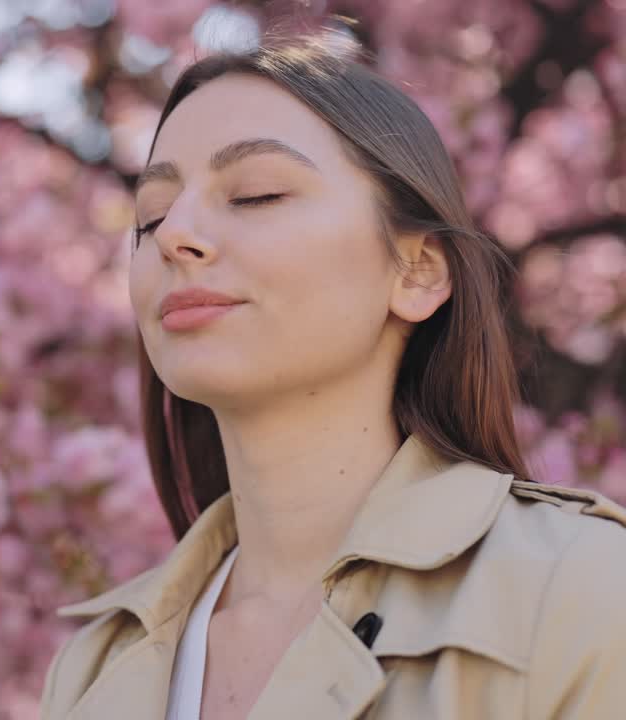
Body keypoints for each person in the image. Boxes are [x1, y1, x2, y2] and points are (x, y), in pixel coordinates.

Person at [39, 33, 626, 720]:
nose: (175, 235)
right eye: (151, 216)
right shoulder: (92, 668)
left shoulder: (582, 589)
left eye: (256, 194)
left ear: (418, 270)